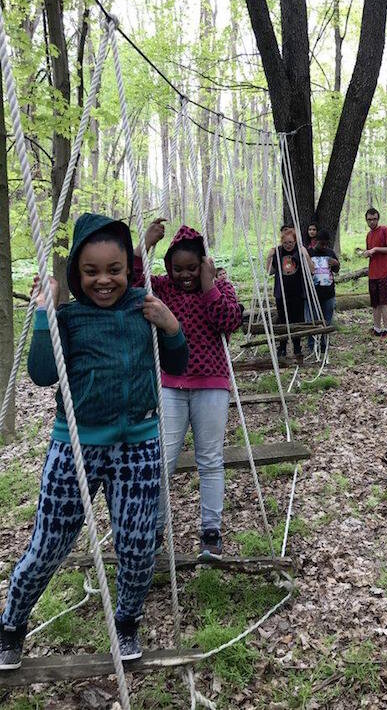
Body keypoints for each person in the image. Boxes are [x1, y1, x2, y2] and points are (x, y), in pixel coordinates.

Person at [0, 214, 188, 670]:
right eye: (91, 272)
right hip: (76, 449)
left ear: (129, 268)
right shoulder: (69, 317)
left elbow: (177, 365)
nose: (104, 280)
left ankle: (127, 622)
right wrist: (44, 316)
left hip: (139, 446)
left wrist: (170, 326)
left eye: (115, 269)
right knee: (48, 546)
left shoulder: (143, 309)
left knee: (139, 546)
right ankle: (11, 625)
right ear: (77, 275)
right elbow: (43, 374)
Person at [133, 220, 242, 560]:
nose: (185, 275)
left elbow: (229, 322)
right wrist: (144, 246)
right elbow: (133, 285)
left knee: (209, 459)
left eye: (192, 268)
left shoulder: (220, 287)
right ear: (169, 267)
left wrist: (209, 285)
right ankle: (155, 530)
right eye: (178, 268)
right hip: (170, 384)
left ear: (204, 265)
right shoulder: (163, 289)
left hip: (211, 383)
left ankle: (211, 532)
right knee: (161, 460)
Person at [266, 228, 314, 361]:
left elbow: (312, 270)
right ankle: (282, 347)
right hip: (281, 292)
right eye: (286, 243)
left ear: (295, 241)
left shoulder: (300, 251)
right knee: (283, 320)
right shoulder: (278, 252)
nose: (288, 245)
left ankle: (297, 348)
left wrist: (306, 255)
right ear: (282, 242)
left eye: (291, 242)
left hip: (298, 292)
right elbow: (269, 271)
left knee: (297, 320)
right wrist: (270, 256)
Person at [362, 207, 387, 337]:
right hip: (373, 273)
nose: (372, 222)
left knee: (385, 302)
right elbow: (370, 252)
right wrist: (367, 253)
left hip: (386, 272)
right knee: (375, 303)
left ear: (378, 219)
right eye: (369, 220)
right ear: (366, 220)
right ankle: (376, 328)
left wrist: (376, 249)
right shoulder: (369, 235)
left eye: (374, 219)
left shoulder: (385, 230)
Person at [305, 229, 340, 353]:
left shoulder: (330, 252)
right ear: (316, 241)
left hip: (328, 292)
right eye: (321, 243)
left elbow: (336, 269)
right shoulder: (309, 253)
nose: (323, 246)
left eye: (325, 243)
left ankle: (324, 343)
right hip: (312, 293)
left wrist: (335, 263)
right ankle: (312, 344)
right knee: (312, 320)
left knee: (327, 319)